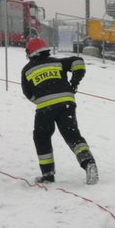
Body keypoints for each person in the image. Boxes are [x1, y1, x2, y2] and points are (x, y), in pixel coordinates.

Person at [20, 37, 98, 185]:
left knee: (41, 137)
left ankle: (48, 174)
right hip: (66, 104)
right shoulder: (58, 62)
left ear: (30, 53)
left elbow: (28, 93)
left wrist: (42, 100)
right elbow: (78, 62)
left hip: (45, 109)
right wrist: (73, 84)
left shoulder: (27, 70)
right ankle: (88, 163)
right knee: (73, 136)